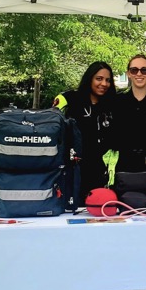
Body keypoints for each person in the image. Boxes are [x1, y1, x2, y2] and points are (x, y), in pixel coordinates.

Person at [52, 61, 116, 198]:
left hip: (100, 173)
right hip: (71, 170)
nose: (104, 84)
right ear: (89, 78)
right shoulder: (68, 99)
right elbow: (50, 127)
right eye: (99, 79)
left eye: (108, 80)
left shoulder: (113, 104)